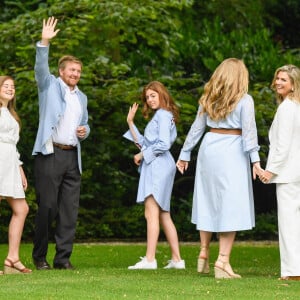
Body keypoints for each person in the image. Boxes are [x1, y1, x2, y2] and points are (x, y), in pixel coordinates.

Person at [176, 58, 262, 279]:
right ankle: (222, 261)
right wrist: (255, 161)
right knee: (229, 205)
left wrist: (185, 153)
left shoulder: (208, 98)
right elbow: (249, 133)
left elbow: (197, 128)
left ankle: (204, 253)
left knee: (208, 199)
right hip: (231, 151)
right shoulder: (245, 100)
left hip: (209, 147)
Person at [31, 17, 90, 270]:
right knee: (47, 207)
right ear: (62, 71)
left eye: (78, 71)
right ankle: (39, 257)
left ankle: (62, 259)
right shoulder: (49, 86)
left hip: (71, 157)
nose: (75, 74)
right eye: (72, 70)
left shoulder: (82, 97)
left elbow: (85, 125)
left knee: (69, 211)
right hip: (50, 154)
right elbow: (40, 68)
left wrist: (85, 130)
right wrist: (44, 41)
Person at [124, 81, 185, 270]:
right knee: (163, 214)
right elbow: (144, 143)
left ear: (162, 94)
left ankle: (150, 260)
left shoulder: (163, 115)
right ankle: (177, 260)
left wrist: (143, 155)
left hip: (158, 165)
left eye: (153, 95)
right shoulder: (163, 115)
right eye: (147, 97)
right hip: (158, 164)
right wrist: (130, 123)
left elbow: (163, 144)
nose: (149, 100)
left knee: (151, 213)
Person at [260, 65, 300, 281]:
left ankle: (293, 271)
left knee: (289, 223)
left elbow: (283, 145)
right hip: (296, 173)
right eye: (277, 78)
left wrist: (271, 170)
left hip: (287, 174)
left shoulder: (286, 109)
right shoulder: (295, 106)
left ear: (293, 84)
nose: (277, 82)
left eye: (283, 79)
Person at [0, 76, 32, 274]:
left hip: (11, 162)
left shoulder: (11, 114)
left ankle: (12, 258)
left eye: (13, 87)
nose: (10, 89)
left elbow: (13, 145)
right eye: (6, 85)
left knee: (22, 208)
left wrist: (19, 168)